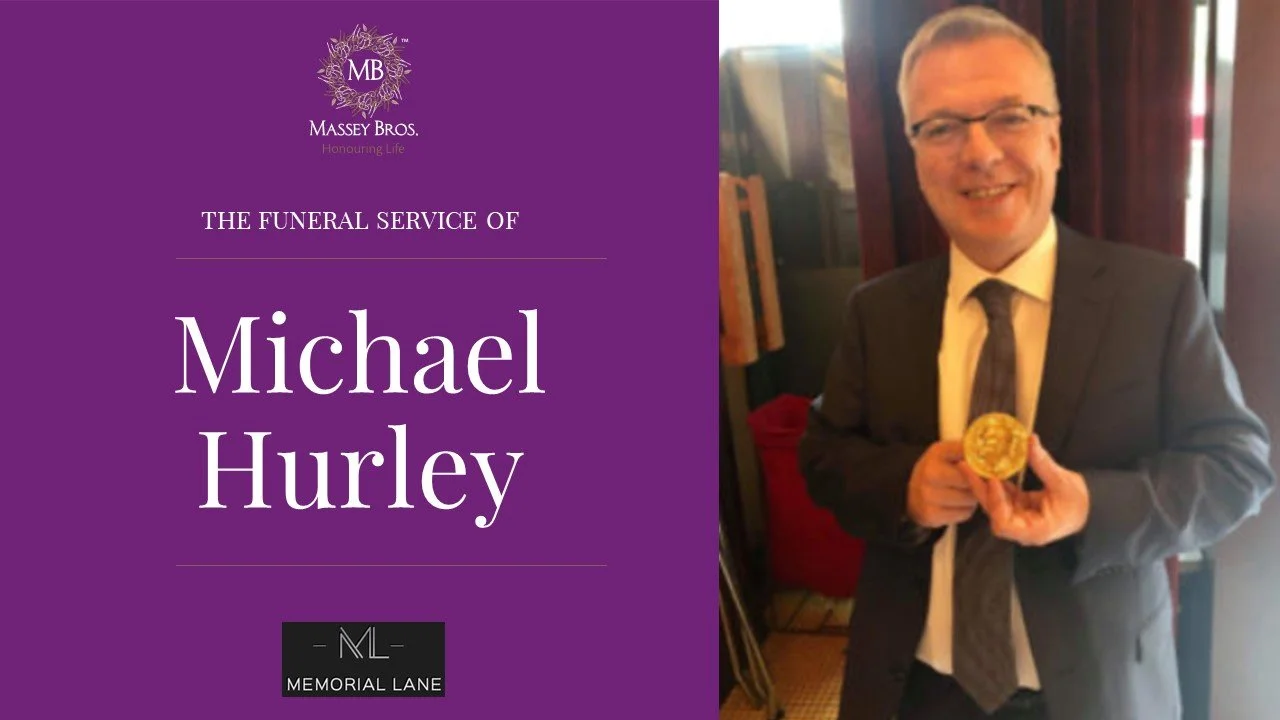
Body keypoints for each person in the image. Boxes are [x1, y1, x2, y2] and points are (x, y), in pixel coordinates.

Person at [798, 7, 1274, 720]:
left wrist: (1093, 507)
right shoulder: (878, 310)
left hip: (1096, 691)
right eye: (943, 126)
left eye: (1010, 117)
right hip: (913, 690)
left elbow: (1237, 470)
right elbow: (823, 456)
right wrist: (905, 486)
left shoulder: (1158, 295)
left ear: (1054, 137)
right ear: (915, 153)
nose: (980, 152)